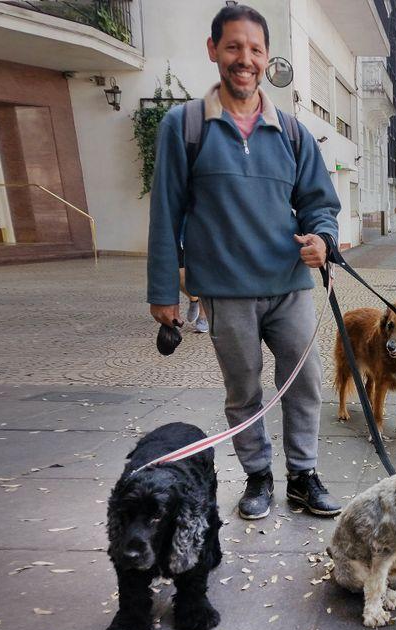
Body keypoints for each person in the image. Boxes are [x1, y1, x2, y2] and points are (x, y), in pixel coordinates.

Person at [147, 5, 342, 520]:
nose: (245, 59)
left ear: (266, 58)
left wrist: (322, 239)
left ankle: (303, 476)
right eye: (233, 47)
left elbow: (320, 203)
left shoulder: (293, 132)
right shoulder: (184, 126)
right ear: (213, 51)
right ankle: (258, 476)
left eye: (255, 49)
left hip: (288, 284)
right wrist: (162, 291)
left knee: (304, 381)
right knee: (244, 389)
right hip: (225, 290)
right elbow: (165, 212)